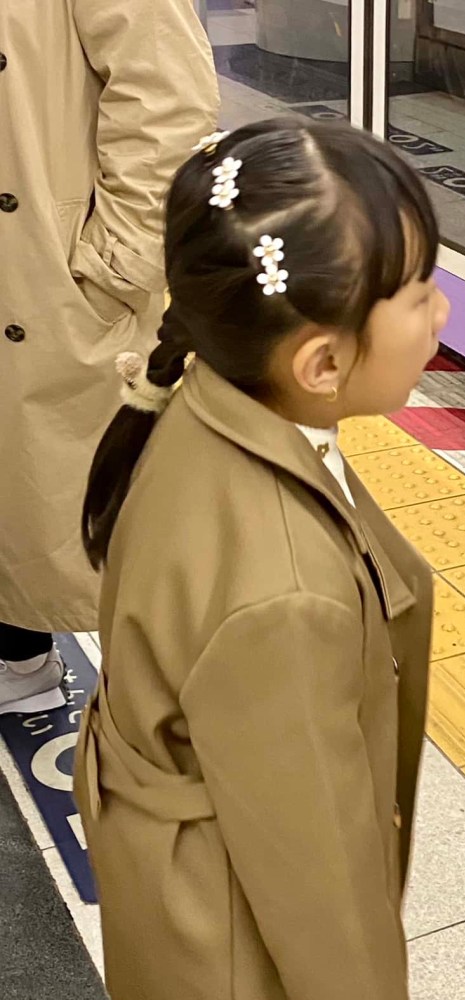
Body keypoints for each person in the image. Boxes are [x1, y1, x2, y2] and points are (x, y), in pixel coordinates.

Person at [73, 117, 450, 1000]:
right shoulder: (287, 596)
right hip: (238, 970)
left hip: (176, 907)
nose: (442, 313)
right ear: (322, 362)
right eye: (420, 293)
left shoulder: (202, 394)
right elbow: (327, 909)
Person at [0, 0, 219, 715]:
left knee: (56, 485)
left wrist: (116, 265)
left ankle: (26, 662)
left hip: (39, 269)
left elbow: (166, 98)